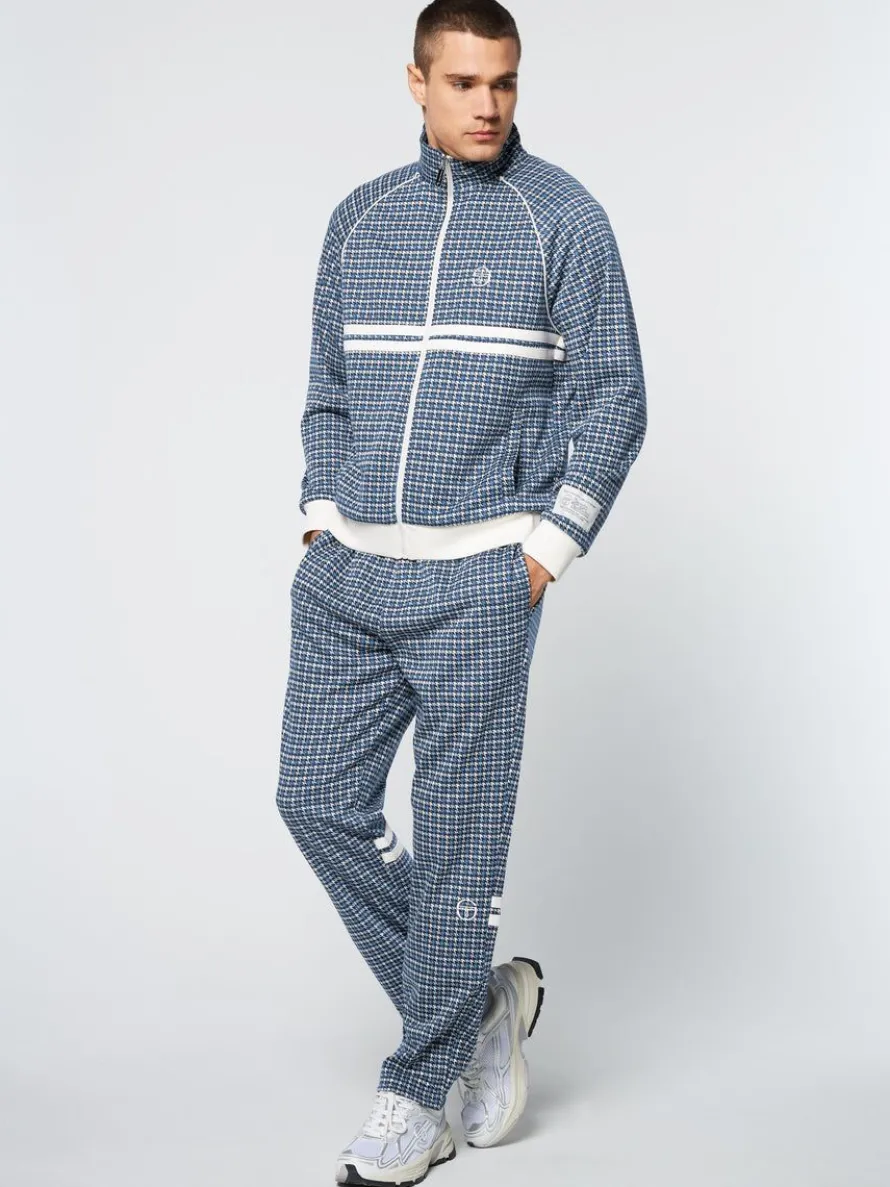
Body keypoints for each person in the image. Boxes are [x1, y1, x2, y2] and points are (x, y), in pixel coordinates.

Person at [275, 0, 647, 1181]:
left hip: (481, 579)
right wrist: (320, 511)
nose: (487, 105)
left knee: (456, 851)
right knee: (315, 799)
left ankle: (414, 1094)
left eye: (504, 82)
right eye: (463, 83)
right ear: (416, 82)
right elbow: (327, 385)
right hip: (347, 575)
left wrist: (545, 549)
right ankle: (478, 1000)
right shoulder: (359, 218)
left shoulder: (562, 219)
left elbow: (614, 398)